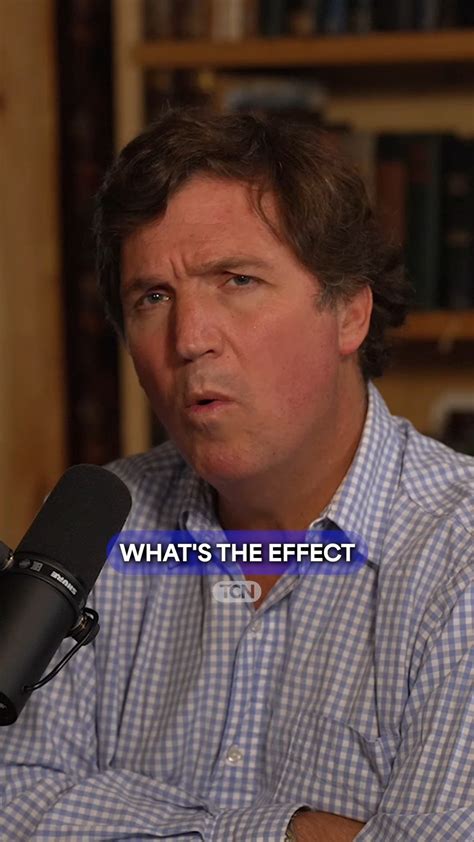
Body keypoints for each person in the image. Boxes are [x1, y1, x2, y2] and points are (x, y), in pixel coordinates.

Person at [0, 108, 472, 841]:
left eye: (237, 280)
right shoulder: (101, 526)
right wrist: (289, 834)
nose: (189, 339)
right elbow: (11, 800)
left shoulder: (460, 554)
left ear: (350, 313)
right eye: (153, 297)